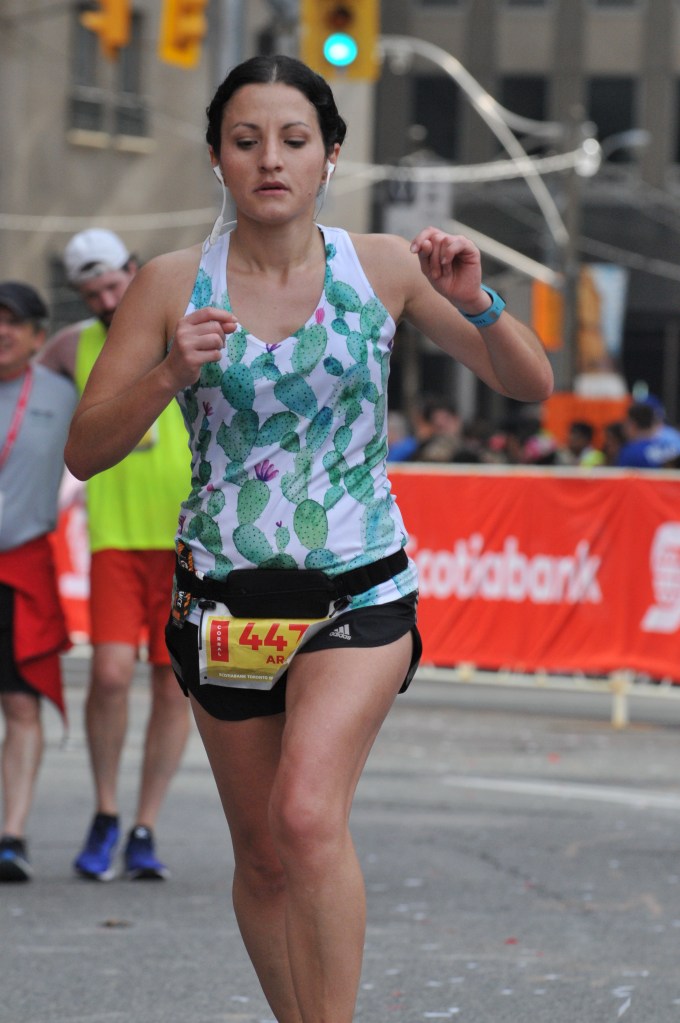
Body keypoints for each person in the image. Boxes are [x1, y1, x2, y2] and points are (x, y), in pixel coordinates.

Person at [64, 54, 553, 1022]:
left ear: (330, 154)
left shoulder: (382, 267)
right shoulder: (169, 284)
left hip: (357, 589)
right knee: (260, 853)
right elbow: (85, 450)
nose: (270, 160)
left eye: (294, 140)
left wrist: (476, 300)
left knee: (303, 815)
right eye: (246, 141)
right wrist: (168, 372)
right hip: (222, 606)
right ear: (217, 156)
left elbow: (527, 383)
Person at [38, 230, 192, 881]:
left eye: (112, 285)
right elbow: (24, 386)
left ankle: (145, 825)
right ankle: (105, 811)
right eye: (91, 292)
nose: (105, 300)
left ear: (135, 270)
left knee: (172, 683)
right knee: (107, 675)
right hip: (114, 538)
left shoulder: (184, 327)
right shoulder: (73, 346)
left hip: (187, 539)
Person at [0, 282, 77, 882]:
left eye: (13, 322)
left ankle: (13, 835)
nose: (1, 331)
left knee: (21, 703)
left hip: (20, 568)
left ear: (36, 336)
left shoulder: (63, 395)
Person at [616, 400, 680, 468]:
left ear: (632, 424)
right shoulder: (669, 446)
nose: (623, 428)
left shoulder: (630, 452)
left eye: (626, 423)